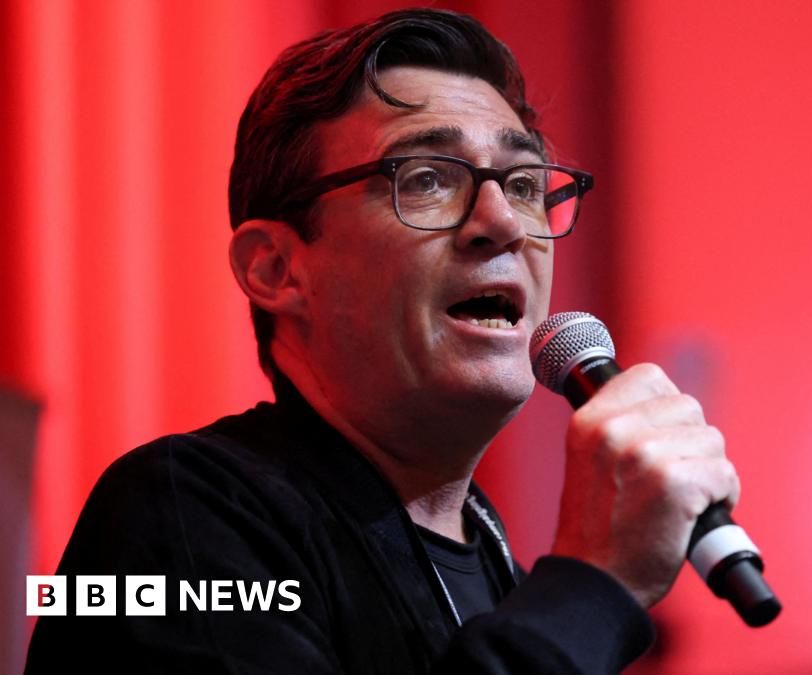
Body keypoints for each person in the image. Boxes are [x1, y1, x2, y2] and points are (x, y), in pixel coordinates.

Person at [25, 8, 738, 673]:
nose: (504, 223)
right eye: (427, 178)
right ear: (275, 268)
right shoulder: (168, 518)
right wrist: (594, 586)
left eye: (524, 183)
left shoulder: (498, 567)